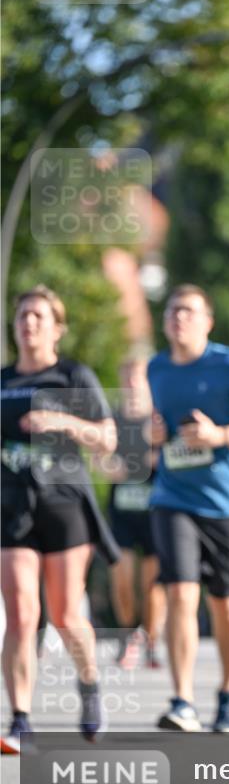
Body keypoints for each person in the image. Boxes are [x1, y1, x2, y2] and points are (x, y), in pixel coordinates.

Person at [148, 284, 229, 733]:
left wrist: (219, 436)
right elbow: (156, 429)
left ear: (208, 322)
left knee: (225, 601)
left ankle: (228, 692)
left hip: (224, 502)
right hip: (172, 496)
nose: (178, 318)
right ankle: (182, 699)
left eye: (188, 311)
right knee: (181, 593)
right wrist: (151, 434)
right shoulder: (156, 367)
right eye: (172, 311)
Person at [1, 286, 119, 754]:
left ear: (57, 328)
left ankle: (89, 684)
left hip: (64, 501)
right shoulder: (3, 379)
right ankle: (20, 720)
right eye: (22, 316)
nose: (29, 323)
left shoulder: (73, 376)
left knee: (66, 614)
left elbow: (108, 439)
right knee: (21, 613)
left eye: (38, 316)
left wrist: (64, 423)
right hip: (12, 505)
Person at [97, 357, 166, 669]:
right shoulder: (112, 419)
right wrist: (108, 465)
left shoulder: (159, 419)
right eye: (127, 379)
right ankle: (127, 637)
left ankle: (151, 642)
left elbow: (170, 456)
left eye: (138, 379)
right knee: (122, 579)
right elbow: (99, 457)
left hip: (155, 511)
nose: (132, 385)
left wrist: (145, 461)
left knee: (152, 585)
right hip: (122, 510)